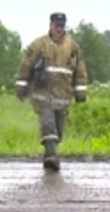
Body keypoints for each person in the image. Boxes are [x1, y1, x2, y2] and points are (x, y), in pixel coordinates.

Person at [14, 12, 89, 171]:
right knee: (48, 126)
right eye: (56, 25)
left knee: (58, 132)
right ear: (50, 25)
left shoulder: (72, 48)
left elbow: (80, 71)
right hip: (43, 94)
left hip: (63, 96)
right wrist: (21, 86)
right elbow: (26, 65)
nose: (59, 29)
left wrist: (80, 91)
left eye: (62, 26)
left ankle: (50, 153)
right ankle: (52, 157)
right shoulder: (39, 45)